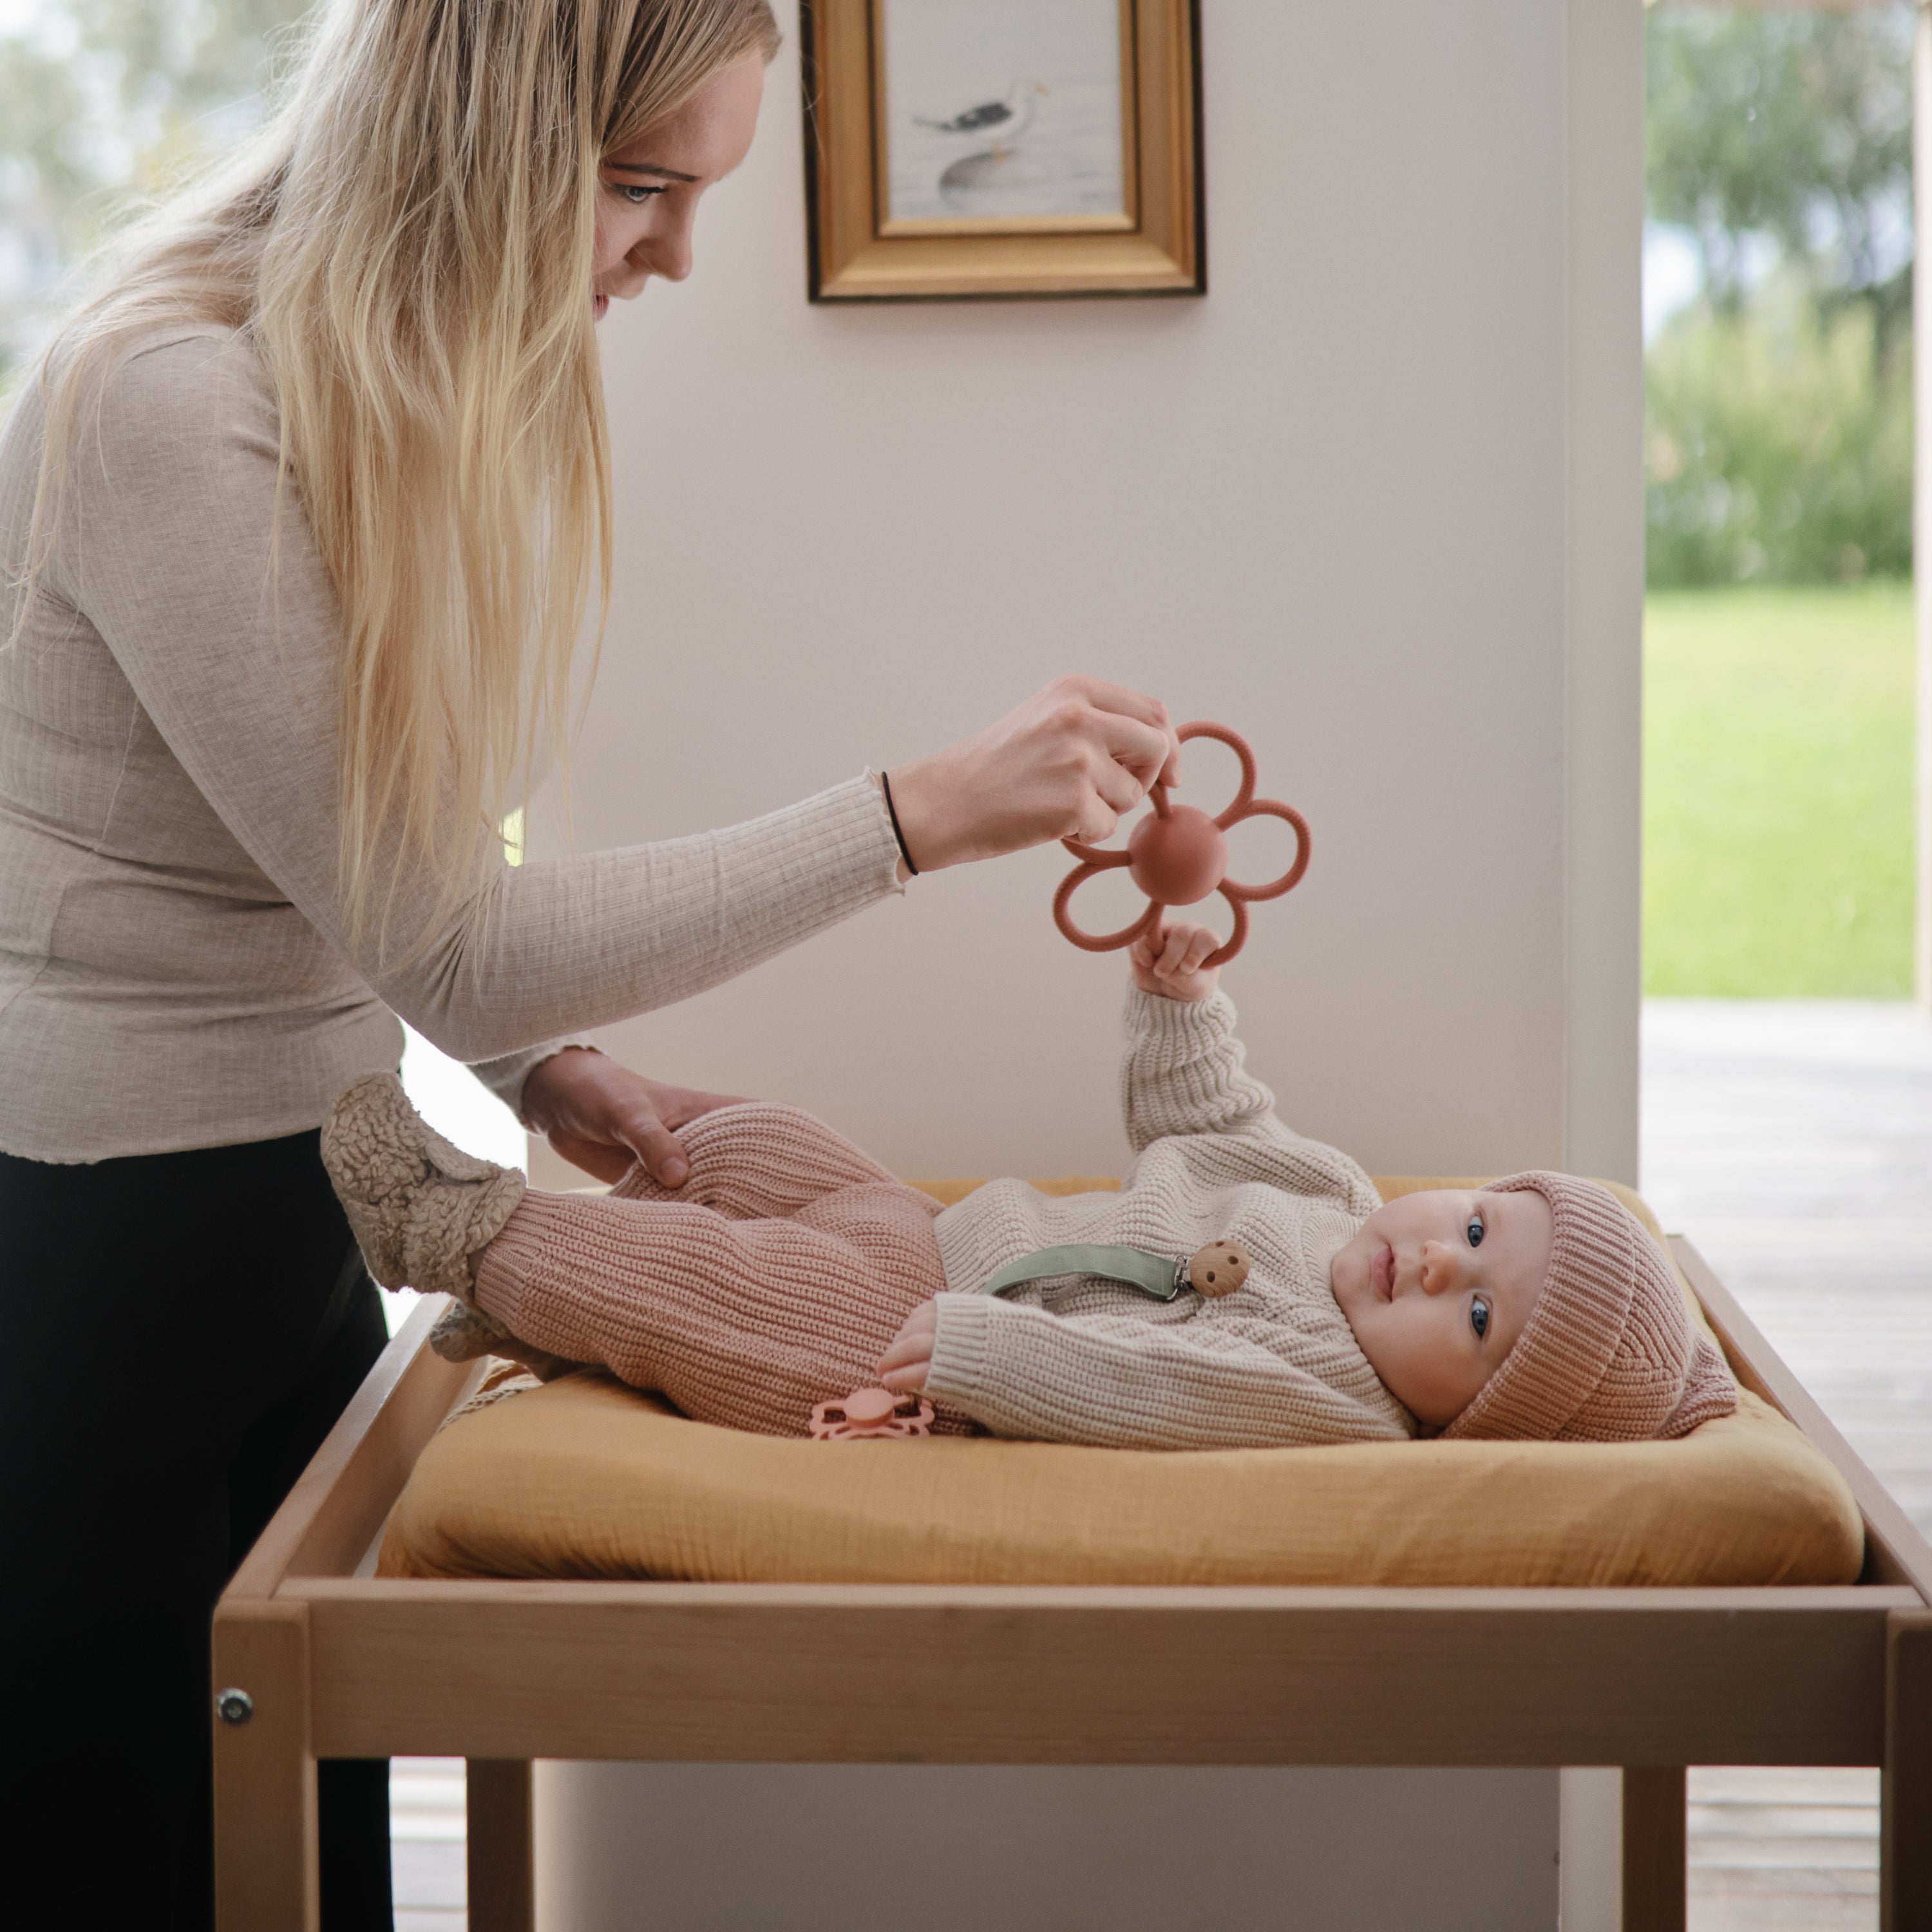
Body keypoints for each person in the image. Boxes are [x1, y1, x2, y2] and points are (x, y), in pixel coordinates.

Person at [0, 3, 1184, 1924]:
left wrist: (537, 1067)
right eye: (640, 187)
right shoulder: (167, 406)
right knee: (116, 1846)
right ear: (470, 134)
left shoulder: (387, 384)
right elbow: (453, 939)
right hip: (110, 1235)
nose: (675, 255)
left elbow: (366, 870)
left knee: (310, 1847)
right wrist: (920, 812)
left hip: (301, 1186)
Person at [322, 918, 1739, 1451]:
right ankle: (562, 1309)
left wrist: (986, 1353)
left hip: (915, 1347)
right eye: (1479, 1226)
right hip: (941, 1232)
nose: (1440, 1261)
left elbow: (1149, 1394)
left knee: (732, 1295)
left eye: (1478, 1319)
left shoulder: (1330, 1393)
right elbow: (1213, 1121)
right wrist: (1184, 1008)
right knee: (755, 1148)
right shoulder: (1337, 1191)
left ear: (1475, 1416)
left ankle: (464, 1233)